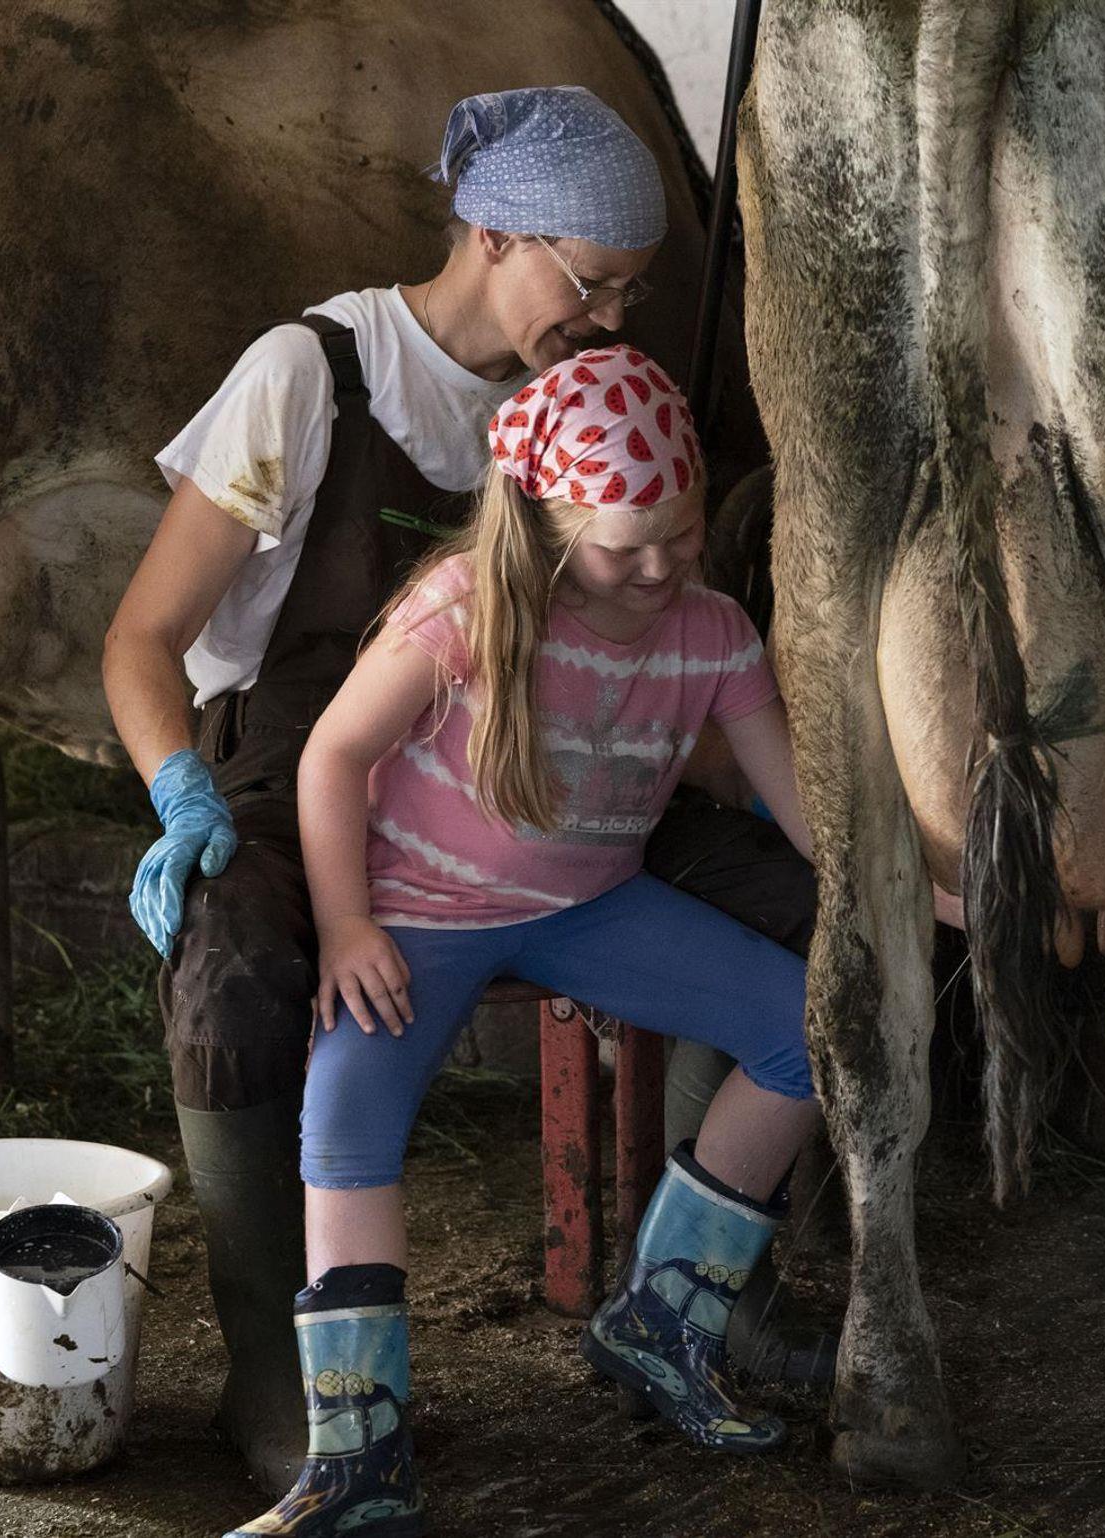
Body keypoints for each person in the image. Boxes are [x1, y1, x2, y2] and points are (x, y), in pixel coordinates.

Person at [101, 86, 831, 1498]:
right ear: (494, 236)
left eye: (629, 292)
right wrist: (182, 793)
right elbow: (142, 635)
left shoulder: (593, 408)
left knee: (795, 904)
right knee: (233, 967)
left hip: (542, 779)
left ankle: (703, 1295)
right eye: (591, 282)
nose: (610, 320)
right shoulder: (312, 373)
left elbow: (659, 636)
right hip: (302, 760)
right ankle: (278, 1375)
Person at [224, 345, 820, 1538]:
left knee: (807, 1029)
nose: (657, 567)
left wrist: (911, 888)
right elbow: (332, 754)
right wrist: (345, 921)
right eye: (622, 546)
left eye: (680, 535)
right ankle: (360, 1457)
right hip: (420, 911)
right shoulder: (461, 607)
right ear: (549, 529)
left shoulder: (711, 632)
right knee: (343, 1121)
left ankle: (661, 1321)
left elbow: (802, 805)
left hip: (591, 902)